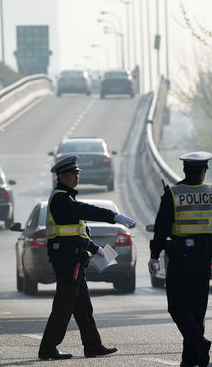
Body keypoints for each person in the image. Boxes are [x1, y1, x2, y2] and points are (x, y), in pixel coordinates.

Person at [38, 155, 136, 361]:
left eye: (78, 173)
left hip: (73, 259)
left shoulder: (67, 198)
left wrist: (98, 249)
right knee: (64, 305)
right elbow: (85, 211)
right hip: (66, 262)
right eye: (73, 173)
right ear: (62, 176)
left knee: (83, 305)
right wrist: (113, 216)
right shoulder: (60, 199)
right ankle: (48, 348)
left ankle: (93, 346)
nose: (76, 176)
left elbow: (76, 235)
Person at [149, 151, 212, 367]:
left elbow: (161, 228)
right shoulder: (211, 193)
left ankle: (199, 342)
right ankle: (191, 359)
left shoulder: (173, 193)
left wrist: (154, 254)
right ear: (203, 172)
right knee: (198, 310)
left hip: (182, 258)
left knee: (177, 306)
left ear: (184, 169)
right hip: (205, 257)